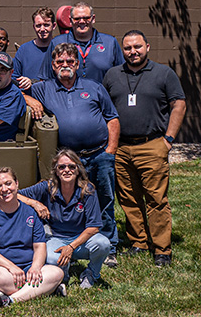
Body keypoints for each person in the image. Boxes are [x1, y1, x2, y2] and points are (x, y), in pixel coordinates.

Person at [30, 42, 121, 267]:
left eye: (70, 61)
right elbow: (15, 92)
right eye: (60, 62)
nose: (65, 65)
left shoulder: (94, 87)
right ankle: (70, 240)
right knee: (73, 200)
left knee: (105, 199)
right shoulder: (44, 88)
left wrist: (110, 151)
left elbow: (112, 118)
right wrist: (29, 99)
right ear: (53, 65)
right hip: (69, 161)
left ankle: (110, 246)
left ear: (77, 64)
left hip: (99, 154)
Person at [103, 30, 186, 267]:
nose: (133, 52)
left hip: (152, 145)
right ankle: (138, 242)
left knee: (156, 199)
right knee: (128, 199)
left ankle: (162, 249)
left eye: (137, 46)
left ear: (147, 47)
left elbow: (178, 104)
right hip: (121, 147)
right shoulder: (112, 74)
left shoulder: (163, 73)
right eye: (128, 48)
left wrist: (168, 139)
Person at [18, 149, 111, 288]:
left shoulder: (87, 190)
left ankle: (91, 273)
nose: (66, 170)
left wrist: (71, 247)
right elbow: (15, 195)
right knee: (50, 257)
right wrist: (35, 203)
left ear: (78, 170)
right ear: (56, 171)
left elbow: (94, 227)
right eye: (61, 167)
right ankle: (63, 273)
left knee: (103, 244)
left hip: (81, 240)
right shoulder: (47, 187)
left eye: (71, 166)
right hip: (56, 237)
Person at [0, 167, 65, 307]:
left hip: (27, 267)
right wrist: (11, 267)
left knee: (56, 272)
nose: (4, 189)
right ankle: (44, 289)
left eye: (8, 183)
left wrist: (35, 267)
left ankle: (9, 300)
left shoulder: (30, 212)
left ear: (16, 184)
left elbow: (39, 245)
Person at [39, 2, 124, 84]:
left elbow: (121, 76)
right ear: (70, 20)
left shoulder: (110, 43)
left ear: (93, 19)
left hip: (100, 97)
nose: (82, 21)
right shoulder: (57, 43)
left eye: (86, 18)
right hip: (66, 97)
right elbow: (45, 78)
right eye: (77, 19)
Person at [14, 7, 56, 83]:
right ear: (34, 27)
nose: (42, 29)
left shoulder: (60, 49)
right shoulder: (24, 50)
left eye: (46, 25)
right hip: (28, 94)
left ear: (54, 26)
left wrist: (34, 82)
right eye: (38, 25)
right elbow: (14, 77)